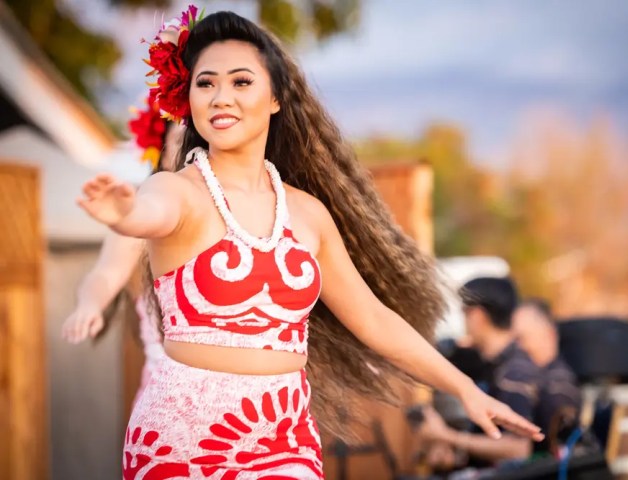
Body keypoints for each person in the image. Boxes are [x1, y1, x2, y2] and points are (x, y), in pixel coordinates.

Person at [77, 8, 542, 478]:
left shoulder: (307, 213)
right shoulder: (176, 190)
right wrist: (124, 214)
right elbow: (148, 213)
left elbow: (373, 319)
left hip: (284, 434)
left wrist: (465, 389)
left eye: (241, 82)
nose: (221, 98)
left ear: (276, 98)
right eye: (206, 83)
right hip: (183, 438)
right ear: (188, 98)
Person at [61, 96, 183, 404]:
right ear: (161, 153)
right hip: (169, 395)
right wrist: (90, 304)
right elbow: (105, 273)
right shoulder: (142, 211)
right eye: (179, 141)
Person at [419, 277, 542, 469]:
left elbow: (518, 448)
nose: (464, 320)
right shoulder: (491, 363)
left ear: (478, 315)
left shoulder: (514, 371)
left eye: (464, 312)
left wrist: (445, 436)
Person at [512, 298, 582, 454]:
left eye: (522, 338)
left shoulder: (559, 387)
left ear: (549, 334)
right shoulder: (537, 377)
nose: (517, 347)